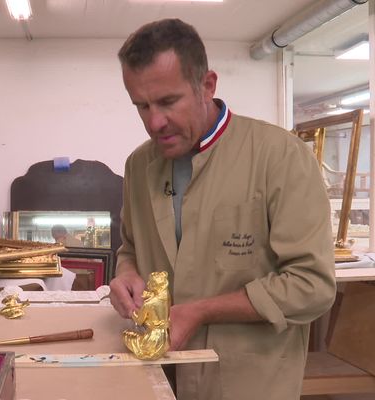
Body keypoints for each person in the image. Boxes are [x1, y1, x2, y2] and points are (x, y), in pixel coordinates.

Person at [109, 19, 336, 400]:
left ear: (207, 85)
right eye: (141, 106)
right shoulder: (137, 166)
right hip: (159, 377)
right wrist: (126, 275)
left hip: (248, 381)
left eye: (167, 102)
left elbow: (312, 286)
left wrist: (201, 310)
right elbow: (130, 247)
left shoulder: (280, 156)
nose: (154, 122)